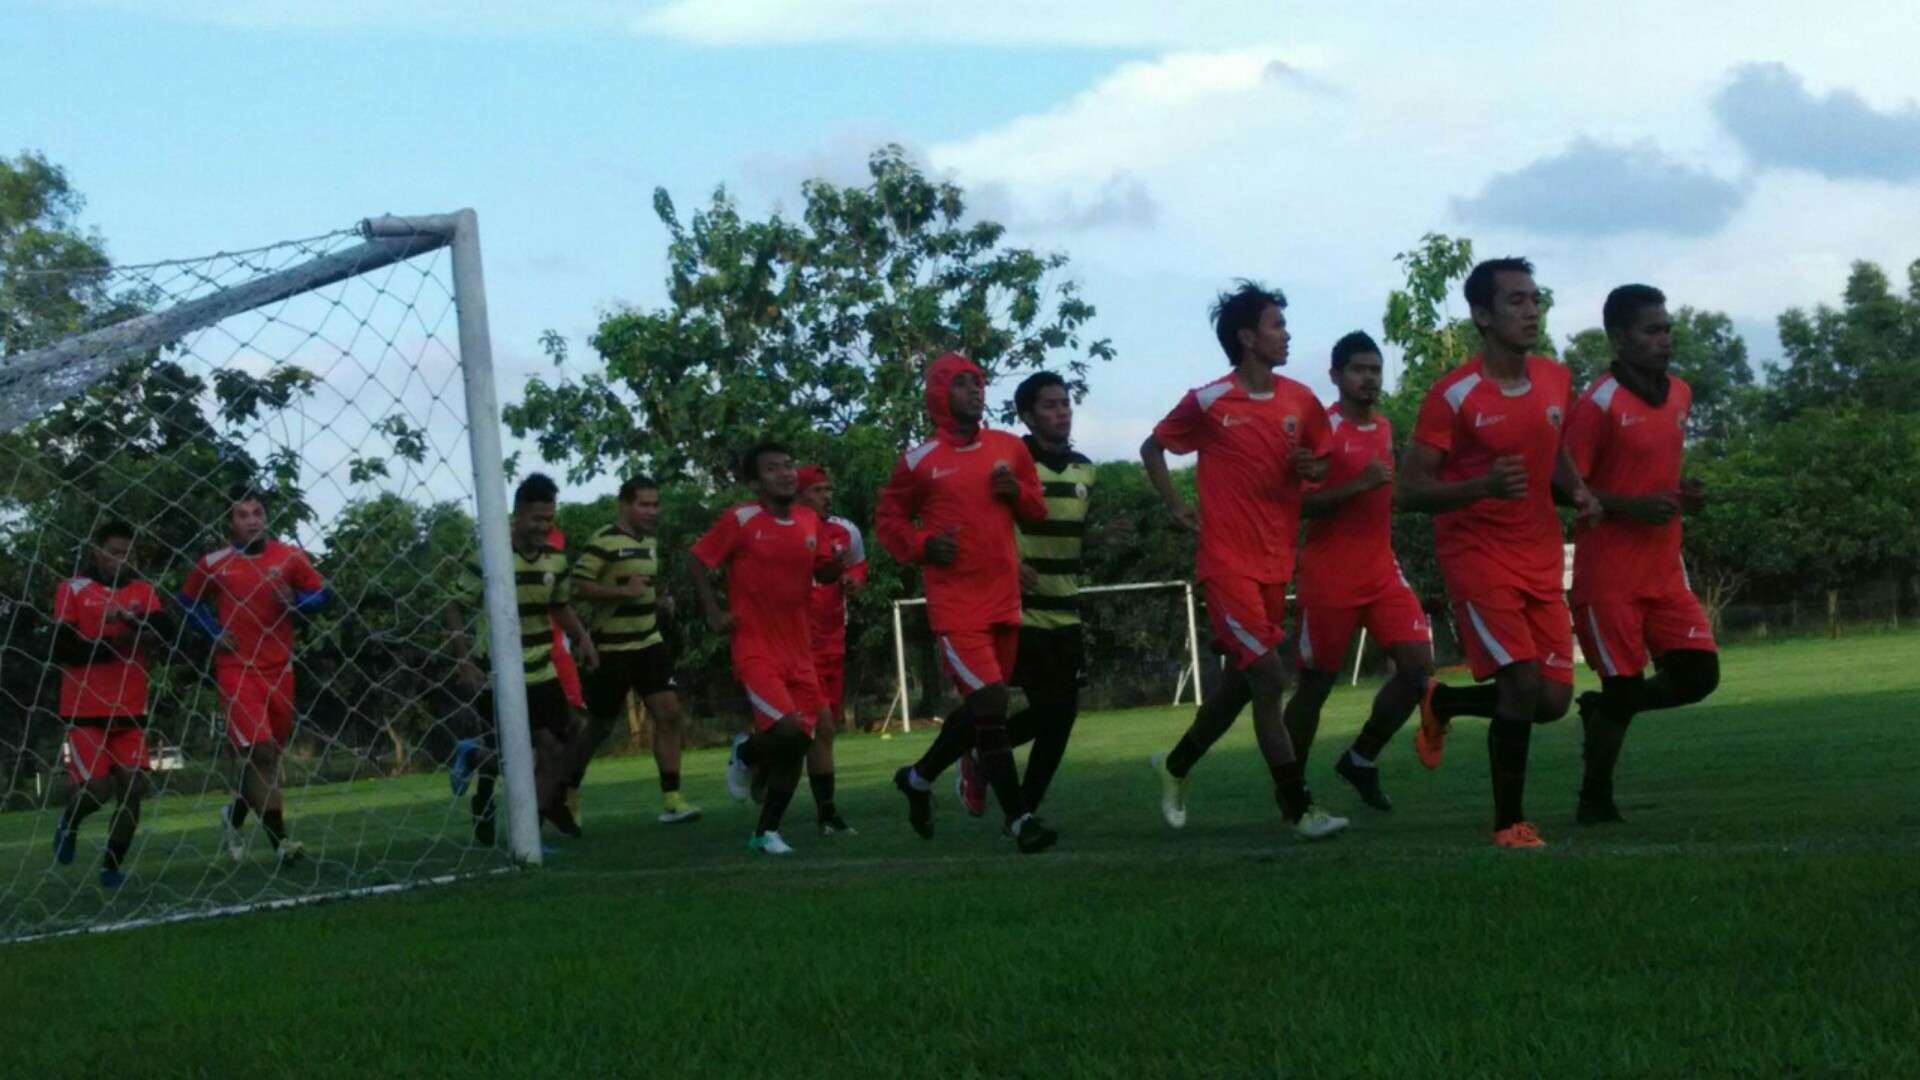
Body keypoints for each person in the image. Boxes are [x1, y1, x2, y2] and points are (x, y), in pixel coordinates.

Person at [1395, 257, 1602, 849]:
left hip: (1538, 552)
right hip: (1477, 554)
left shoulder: (1557, 379)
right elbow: (1409, 491)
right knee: (1520, 681)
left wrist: (1579, 492)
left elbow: (1555, 456)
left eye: (1535, 298)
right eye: (1515, 300)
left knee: (1554, 698)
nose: (1531, 309)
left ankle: (1447, 699)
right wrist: (1481, 486)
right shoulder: (1452, 396)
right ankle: (1509, 823)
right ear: (1482, 315)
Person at [1143, 282, 1348, 841]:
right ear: (1247, 338)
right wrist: (1176, 505)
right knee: (1269, 673)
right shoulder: (1209, 402)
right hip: (1225, 564)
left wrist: (1311, 466)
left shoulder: (1301, 401)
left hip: (1274, 564)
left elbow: (1321, 465)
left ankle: (1177, 764)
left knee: (1243, 684)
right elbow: (1153, 447)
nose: (1286, 335)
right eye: (1277, 325)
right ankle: (1298, 807)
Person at [878, 352, 1059, 854]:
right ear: (939, 395)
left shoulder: (1008, 450)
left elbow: (1036, 511)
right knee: (993, 703)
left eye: (978, 382)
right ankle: (1021, 820)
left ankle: (917, 778)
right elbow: (889, 521)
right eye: (960, 384)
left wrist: (1016, 492)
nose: (974, 391)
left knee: (986, 710)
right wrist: (921, 546)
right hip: (956, 607)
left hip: (1004, 599)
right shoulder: (918, 462)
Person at [1565, 284, 1721, 823]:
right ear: (1619, 337)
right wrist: (1631, 506)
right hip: (1609, 576)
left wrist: (1686, 497)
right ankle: (1595, 800)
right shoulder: (1597, 404)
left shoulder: (1679, 393)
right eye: (1651, 330)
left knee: (1700, 676)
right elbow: (1564, 488)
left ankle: (1602, 710)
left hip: (1664, 570)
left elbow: (1659, 478)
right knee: (1624, 685)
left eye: (1666, 327)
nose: (1664, 338)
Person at [1285, 332, 1436, 812]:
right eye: (1358, 369)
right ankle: (1291, 789)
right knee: (1315, 687)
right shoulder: (1321, 432)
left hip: (1380, 569)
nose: (1369, 378)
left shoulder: (1386, 428)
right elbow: (1300, 505)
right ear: (1336, 376)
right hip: (1328, 576)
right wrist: (1357, 485)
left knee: (1418, 670)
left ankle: (1361, 757)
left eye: (1375, 369)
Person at [690, 441, 848, 855]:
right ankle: (745, 751)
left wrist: (835, 567)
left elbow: (823, 572)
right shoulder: (740, 519)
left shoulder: (808, 519)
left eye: (788, 465)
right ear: (755, 481)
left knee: (800, 741)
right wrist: (713, 613)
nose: (785, 473)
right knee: (790, 731)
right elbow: (698, 560)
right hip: (755, 646)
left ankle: (766, 832)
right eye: (773, 468)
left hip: (800, 650)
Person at [953, 371, 1095, 818]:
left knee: (1061, 716)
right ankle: (1011, 801)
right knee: (1032, 706)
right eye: (1050, 405)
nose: (1062, 413)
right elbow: (980, 523)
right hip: (1019, 609)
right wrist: (1011, 565)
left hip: (1065, 607)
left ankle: (1003, 783)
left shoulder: (1086, 469)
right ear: (1027, 416)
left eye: (1065, 403)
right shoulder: (1008, 464)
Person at [181, 486, 332, 866]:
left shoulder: (289, 557)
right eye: (242, 514)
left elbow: (322, 595)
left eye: (257, 512)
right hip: (236, 670)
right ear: (229, 523)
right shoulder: (214, 563)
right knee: (258, 752)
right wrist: (214, 631)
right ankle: (282, 844)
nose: (252, 520)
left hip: (280, 669)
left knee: (267, 759)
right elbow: (187, 602)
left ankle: (232, 817)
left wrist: (297, 602)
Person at [445, 473, 598, 845]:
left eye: (549, 519)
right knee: (513, 756)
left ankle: (532, 824)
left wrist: (583, 639)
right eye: (536, 519)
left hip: (540, 667)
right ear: (516, 516)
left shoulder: (555, 559)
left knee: (566, 740)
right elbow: (452, 606)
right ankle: (472, 759)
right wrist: (464, 660)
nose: (544, 526)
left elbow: (559, 605)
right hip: (495, 670)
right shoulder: (491, 556)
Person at [568, 476, 702, 826]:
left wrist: (658, 602)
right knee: (597, 727)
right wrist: (621, 592)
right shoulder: (603, 541)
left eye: (655, 504)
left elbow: (638, 590)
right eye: (644, 504)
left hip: (648, 643)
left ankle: (672, 800)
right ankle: (567, 794)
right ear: (624, 504)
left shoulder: (650, 544)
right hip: (611, 648)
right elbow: (577, 585)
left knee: (669, 713)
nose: (651, 511)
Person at [50, 521, 172, 888]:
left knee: (134, 788)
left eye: (128, 553)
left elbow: (164, 629)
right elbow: (62, 648)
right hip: (84, 709)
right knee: (97, 789)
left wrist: (140, 628)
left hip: (130, 708)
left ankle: (111, 867)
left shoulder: (142, 592)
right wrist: (111, 637)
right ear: (97, 551)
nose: (122, 559)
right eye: (115, 552)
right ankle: (68, 824)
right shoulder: (73, 590)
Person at [796, 464, 865, 836]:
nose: (827, 496)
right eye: (818, 490)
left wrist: (855, 580)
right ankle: (827, 814)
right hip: (793, 645)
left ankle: (826, 815)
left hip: (833, 641)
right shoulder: (787, 529)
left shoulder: (844, 529)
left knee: (824, 730)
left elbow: (858, 563)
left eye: (828, 489)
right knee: (813, 727)